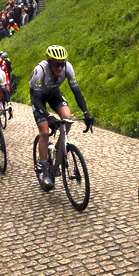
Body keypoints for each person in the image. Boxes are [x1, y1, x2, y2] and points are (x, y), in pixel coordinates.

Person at [29, 46, 94, 190]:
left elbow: (77, 92)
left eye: (62, 63)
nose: (60, 67)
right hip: (38, 96)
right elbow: (38, 100)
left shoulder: (68, 68)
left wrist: (86, 113)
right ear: (49, 62)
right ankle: (45, 171)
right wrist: (49, 116)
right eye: (57, 64)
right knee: (44, 132)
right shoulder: (40, 71)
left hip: (53, 93)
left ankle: (58, 148)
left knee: (67, 118)